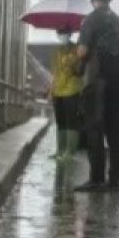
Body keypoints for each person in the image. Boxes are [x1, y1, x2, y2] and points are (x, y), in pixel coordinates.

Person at [74, 0, 119, 193]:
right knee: (115, 132)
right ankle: (116, 181)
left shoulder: (91, 19)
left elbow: (81, 51)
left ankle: (96, 178)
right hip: (117, 83)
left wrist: (78, 57)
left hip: (96, 81)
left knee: (95, 130)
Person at [48, 28, 84, 161]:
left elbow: (79, 70)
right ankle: (60, 150)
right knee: (60, 121)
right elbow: (55, 73)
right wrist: (51, 91)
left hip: (71, 89)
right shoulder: (56, 51)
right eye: (59, 33)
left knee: (71, 121)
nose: (62, 35)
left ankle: (70, 151)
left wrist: (72, 60)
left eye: (64, 33)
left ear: (70, 34)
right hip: (58, 91)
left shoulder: (76, 50)